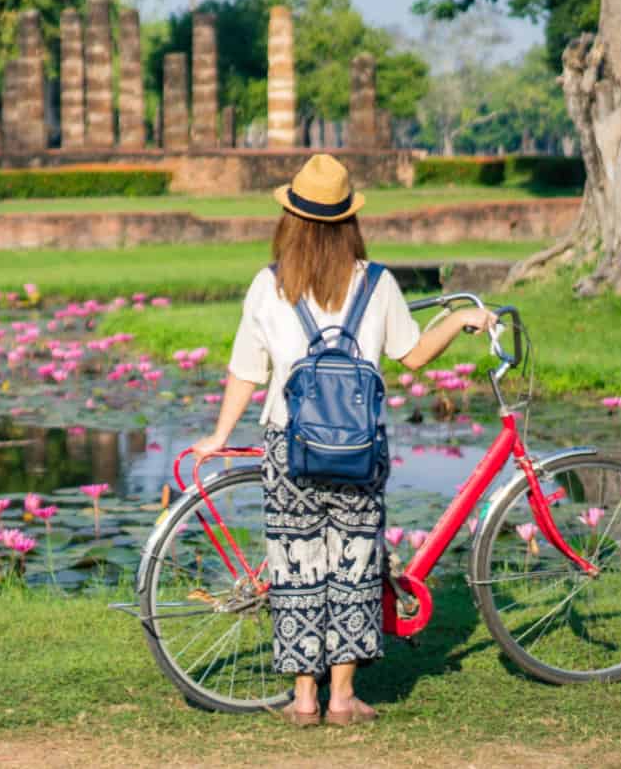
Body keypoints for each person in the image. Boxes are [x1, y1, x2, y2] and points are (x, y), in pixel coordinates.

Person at [188, 154, 491, 727]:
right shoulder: (376, 282)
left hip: (288, 445)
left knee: (296, 566)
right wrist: (457, 320)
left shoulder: (269, 284)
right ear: (349, 220)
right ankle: (343, 698)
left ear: (291, 219)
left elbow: (246, 372)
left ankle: (303, 698)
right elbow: (415, 354)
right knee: (354, 564)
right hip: (359, 449)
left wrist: (219, 436)